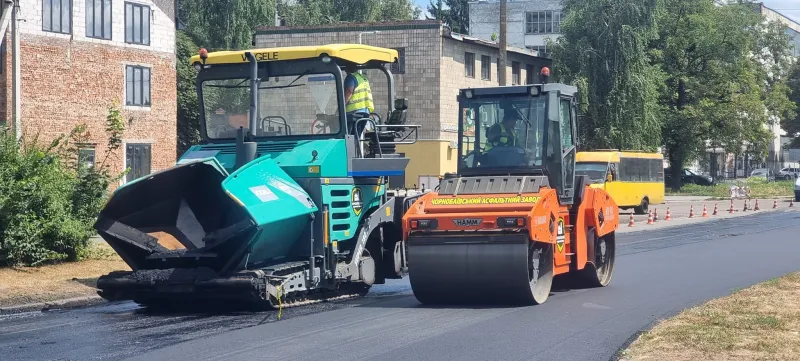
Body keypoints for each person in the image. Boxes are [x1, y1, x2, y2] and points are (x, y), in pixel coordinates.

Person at [343, 64, 375, 135]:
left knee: (349, 137)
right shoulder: (363, 78)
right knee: (356, 137)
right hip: (365, 112)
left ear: (347, 69)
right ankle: (356, 146)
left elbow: (349, 91)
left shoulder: (351, 77)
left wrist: (341, 107)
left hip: (354, 113)